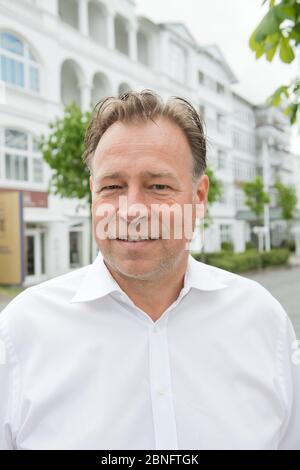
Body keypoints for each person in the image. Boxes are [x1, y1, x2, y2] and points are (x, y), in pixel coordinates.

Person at [0, 90, 299, 450]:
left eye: (158, 186)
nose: (132, 210)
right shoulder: (19, 335)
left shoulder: (263, 322)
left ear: (199, 197)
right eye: (112, 186)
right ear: (92, 194)